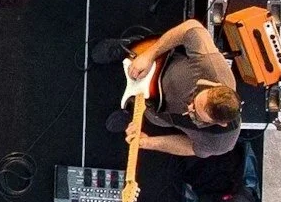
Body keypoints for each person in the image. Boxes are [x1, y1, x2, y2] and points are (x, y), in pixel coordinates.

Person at [92, 19, 240, 158]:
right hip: (160, 66)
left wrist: (147, 143)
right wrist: (150, 55)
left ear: (220, 123)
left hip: (156, 110)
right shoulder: (212, 67)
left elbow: (191, 147)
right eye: (196, 99)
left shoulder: (221, 141)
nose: (189, 107)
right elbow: (190, 27)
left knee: (150, 118)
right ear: (214, 86)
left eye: (196, 115)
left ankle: (132, 110)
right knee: (138, 50)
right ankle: (128, 46)